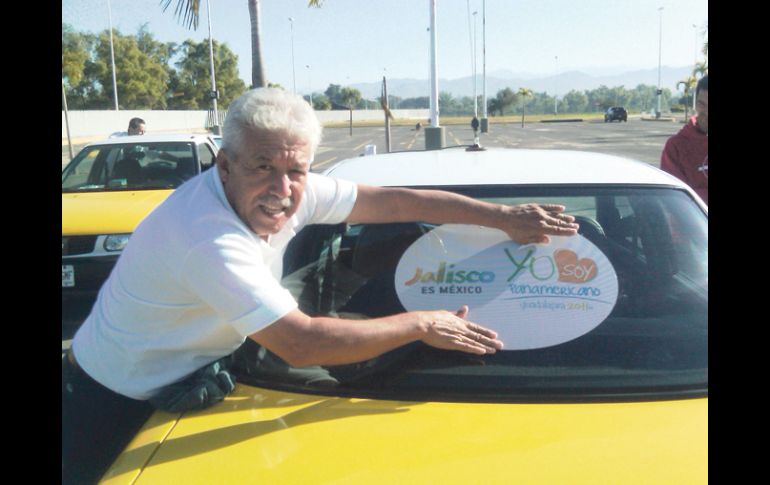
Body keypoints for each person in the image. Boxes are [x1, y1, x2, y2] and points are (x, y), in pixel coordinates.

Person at [62, 88, 579, 484]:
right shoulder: (207, 237)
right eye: (262, 167)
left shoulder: (294, 186)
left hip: (187, 372)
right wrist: (422, 323)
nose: (282, 190)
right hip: (114, 401)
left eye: (297, 170)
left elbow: (393, 202)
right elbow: (301, 343)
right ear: (224, 165)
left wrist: (502, 217)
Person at [660, 74, 708, 204]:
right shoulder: (676, 147)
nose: (707, 111)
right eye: (702, 104)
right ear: (695, 104)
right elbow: (675, 199)